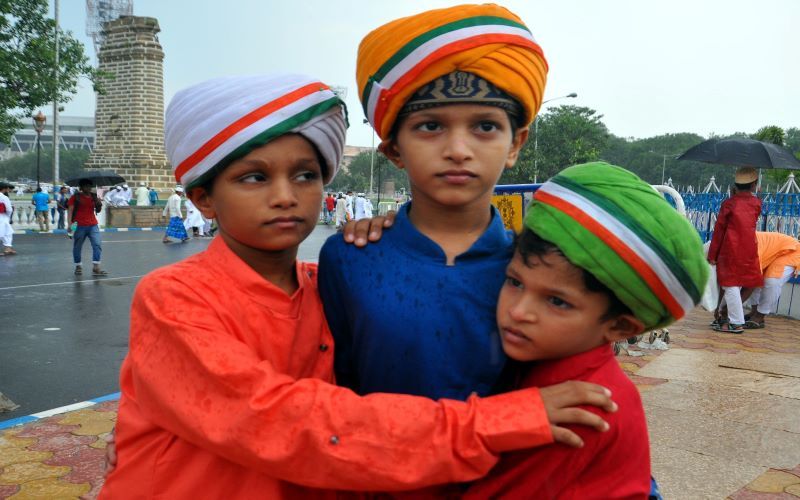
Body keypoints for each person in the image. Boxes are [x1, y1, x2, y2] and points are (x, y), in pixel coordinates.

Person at [100, 73, 613, 499]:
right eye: (254, 178)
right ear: (203, 199)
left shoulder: (332, 277)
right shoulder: (175, 296)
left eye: (305, 176)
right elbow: (281, 421)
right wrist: (498, 422)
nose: (285, 196)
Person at [319, 2, 548, 402]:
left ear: (515, 144)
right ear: (394, 150)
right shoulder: (348, 257)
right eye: (430, 126)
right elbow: (334, 388)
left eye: (485, 126)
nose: (458, 150)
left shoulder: (539, 269)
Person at [458, 162, 708, 498]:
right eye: (515, 281)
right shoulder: (550, 361)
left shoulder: (581, 409)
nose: (518, 311)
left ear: (619, 326)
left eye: (557, 302)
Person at [707, 167, 762, 333]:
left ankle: (736, 323)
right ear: (754, 185)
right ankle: (724, 316)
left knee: (730, 285)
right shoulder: (757, 203)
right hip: (750, 249)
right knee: (737, 285)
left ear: (735, 185)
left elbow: (719, 231)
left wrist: (713, 255)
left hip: (730, 249)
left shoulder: (729, 204)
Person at [744, 231, 800, 328]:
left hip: (792, 251)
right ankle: (754, 311)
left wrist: (731, 307)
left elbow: (752, 281)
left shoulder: (752, 245)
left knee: (772, 280)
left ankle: (760, 316)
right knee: (755, 280)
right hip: (773, 253)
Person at [67, 178, 107, 276]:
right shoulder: (75, 197)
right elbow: (70, 211)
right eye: (86, 186)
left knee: (97, 244)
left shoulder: (94, 196)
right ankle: (78, 266)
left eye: (90, 186)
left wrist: (99, 204)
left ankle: (96, 267)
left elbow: (98, 210)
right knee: (77, 246)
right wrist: (69, 224)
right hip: (78, 225)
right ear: (81, 187)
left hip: (93, 225)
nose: (88, 188)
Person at [0, 182, 16, 255]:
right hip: (2, 216)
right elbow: (9, 209)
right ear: (4, 189)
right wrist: (8, 216)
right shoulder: (4, 197)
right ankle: (8, 248)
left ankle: (8, 248)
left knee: (7, 232)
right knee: (6, 232)